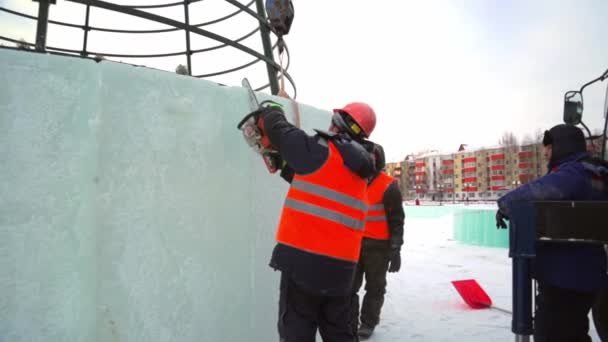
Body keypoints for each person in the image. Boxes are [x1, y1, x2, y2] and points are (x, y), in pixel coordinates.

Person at [257, 101, 377, 342]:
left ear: (339, 124)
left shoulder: (320, 151)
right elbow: (322, 185)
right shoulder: (362, 171)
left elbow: (278, 129)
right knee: (339, 333)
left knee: (297, 331)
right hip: (342, 272)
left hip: (304, 265)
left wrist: (271, 111)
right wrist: (285, 166)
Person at [495, 124, 608, 342]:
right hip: (584, 275)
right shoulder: (596, 172)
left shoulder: (574, 172)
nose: (545, 153)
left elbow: (539, 189)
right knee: (572, 333)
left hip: (566, 279)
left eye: (548, 147)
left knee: (552, 335)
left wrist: (505, 204)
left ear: (563, 146)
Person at [351, 142, 404, 340]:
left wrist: (396, 249)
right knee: (349, 287)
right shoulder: (354, 180)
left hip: (378, 248)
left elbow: (397, 221)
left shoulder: (388, 185)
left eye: (370, 157)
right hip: (353, 244)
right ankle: (348, 321)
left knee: (375, 287)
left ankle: (367, 322)